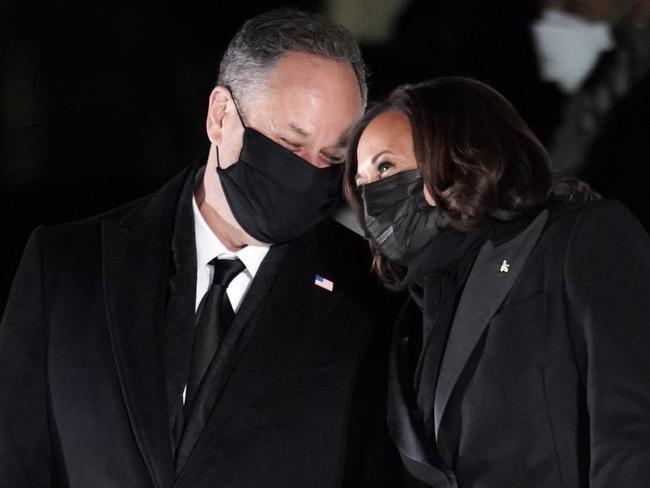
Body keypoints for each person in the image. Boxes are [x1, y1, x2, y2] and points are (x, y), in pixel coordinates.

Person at [0, 9, 404, 487]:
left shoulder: (368, 298)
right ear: (220, 116)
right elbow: (17, 460)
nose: (308, 172)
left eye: (332, 158)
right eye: (290, 145)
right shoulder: (68, 267)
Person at [344, 77, 650, 487]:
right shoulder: (412, 319)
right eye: (363, 185)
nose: (372, 198)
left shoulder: (578, 239)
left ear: (456, 154)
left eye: (385, 166)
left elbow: (632, 427)